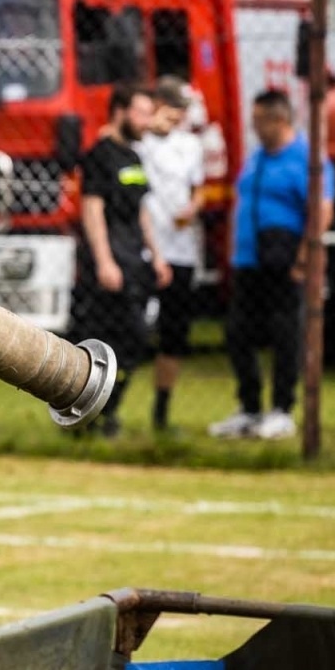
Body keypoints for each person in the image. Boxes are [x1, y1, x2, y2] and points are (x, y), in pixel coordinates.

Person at [209, 89, 335, 440]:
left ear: (278, 120)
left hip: (283, 259)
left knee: (284, 334)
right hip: (248, 261)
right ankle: (249, 409)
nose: (253, 128)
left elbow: (321, 210)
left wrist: (303, 259)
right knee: (238, 334)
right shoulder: (258, 157)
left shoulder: (306, 159)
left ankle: (282, 409)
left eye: (258, 121)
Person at [70, 84, 171, 438]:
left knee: (135, 342)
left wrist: (156, 255)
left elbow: (140, 211)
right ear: (120, 111)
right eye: (142, 113)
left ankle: (105, 412)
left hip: (134, 263)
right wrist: (104, 261)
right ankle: (86, 415)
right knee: (103, 340)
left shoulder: (134, 157)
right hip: (109, 265)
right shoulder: (100, 155)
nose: (148, 121)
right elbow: (92, 209)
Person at [136, 76, 204, 432]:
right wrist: (148, 127)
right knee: (132, 330)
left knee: (174, 334)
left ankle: (161, 413)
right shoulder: (140, 142)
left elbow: (198, 191)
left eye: (183, 109)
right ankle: (107, 405)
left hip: (181, 250)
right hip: (147, 250)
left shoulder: (190, 146)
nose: (179, 116)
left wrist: (192, 208)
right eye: (173, 107)